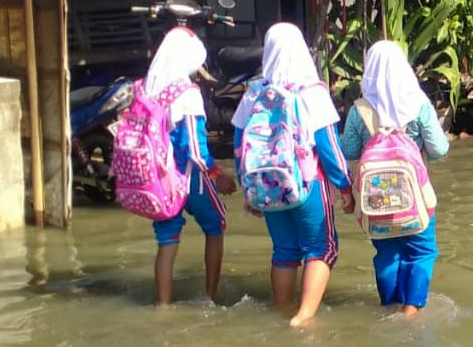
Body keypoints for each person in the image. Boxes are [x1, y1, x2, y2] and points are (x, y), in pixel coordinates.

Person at [233, 23, 353, 327]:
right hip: (307, 182)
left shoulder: (253, 93)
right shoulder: (312, 92)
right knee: (322, 248)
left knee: (285, 249)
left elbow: (239, 147)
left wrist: (250, 192)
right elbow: (329, 146)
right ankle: (303, 318)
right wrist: (345, 185)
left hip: (266, 186)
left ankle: (282, 309)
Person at [341, 41, 450, 317]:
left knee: (387, 253)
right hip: (415, 197)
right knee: (422, 251)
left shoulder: (359, 110)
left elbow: (349, 150)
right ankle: (411, 308)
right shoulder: (419, 105)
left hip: (376, 200)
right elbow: (439, 148)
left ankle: (389, 305)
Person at [145, 27, 237, 306]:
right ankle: (210, 297)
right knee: (216, 224)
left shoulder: (151, 90)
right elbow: (195, 149)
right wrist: (218, 174)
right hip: (188, 178)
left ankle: (163, 306)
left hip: (159, 180)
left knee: (166, 242)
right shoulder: (188, 93)